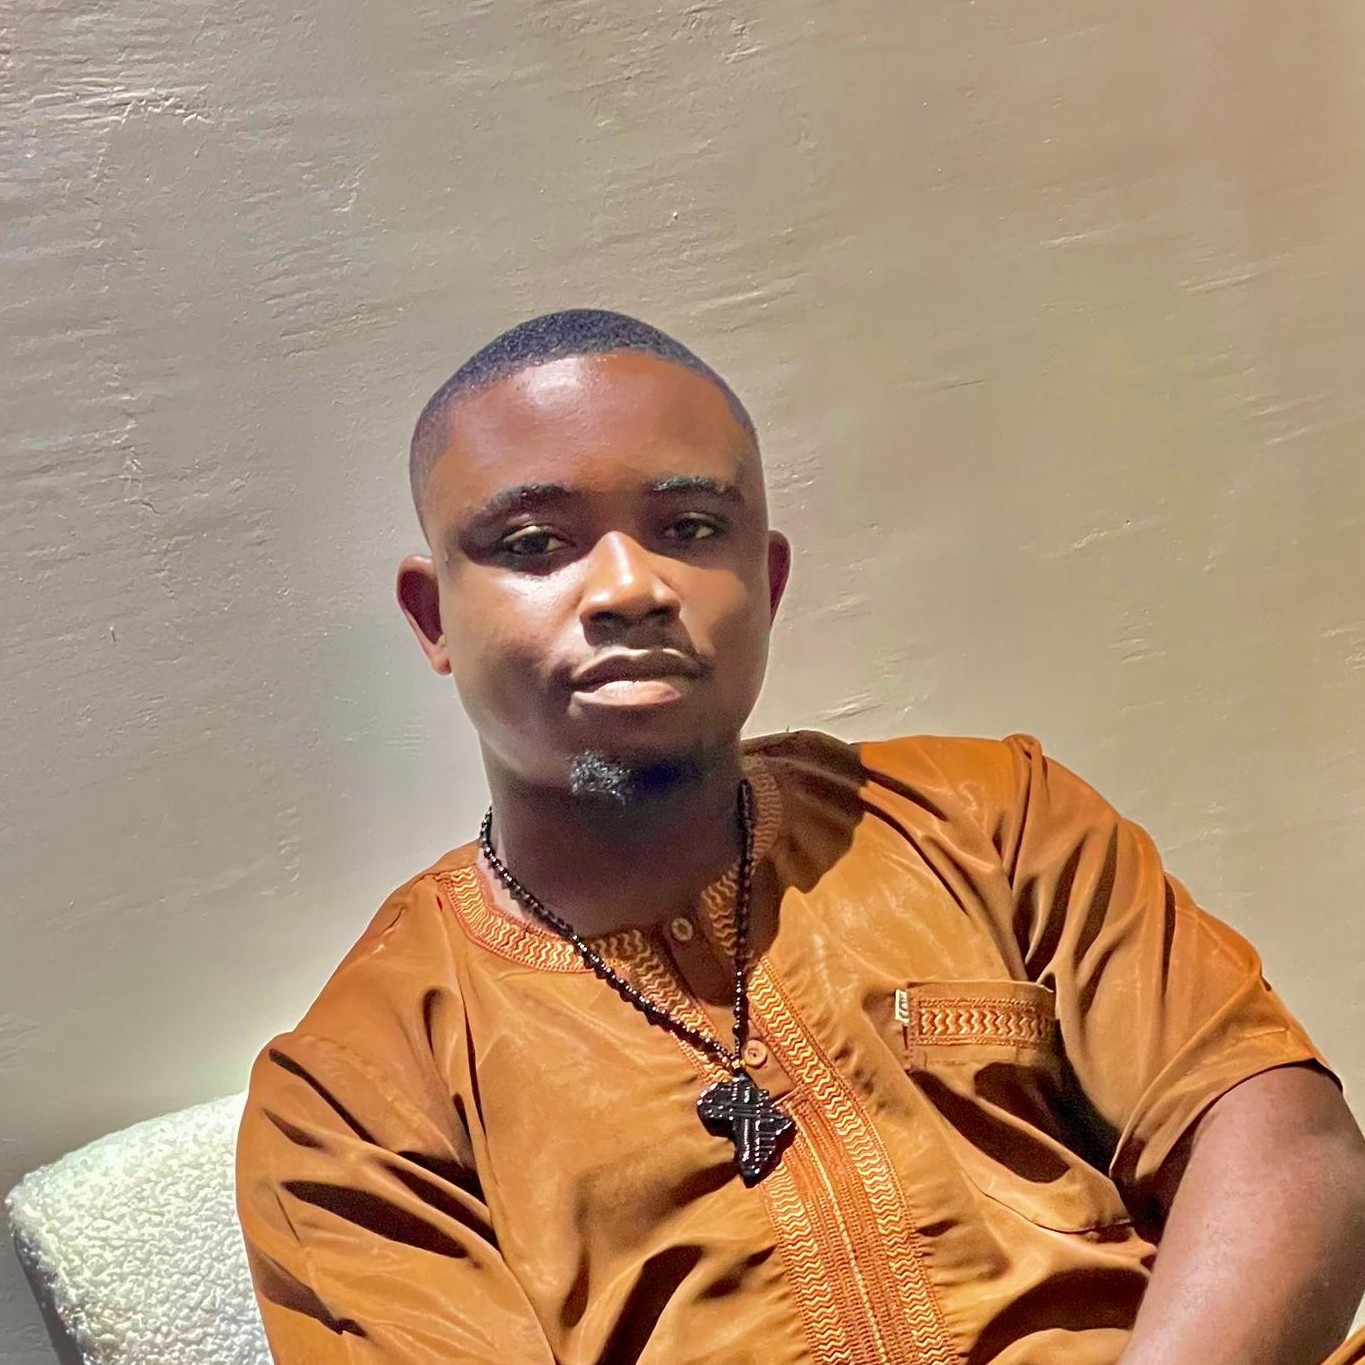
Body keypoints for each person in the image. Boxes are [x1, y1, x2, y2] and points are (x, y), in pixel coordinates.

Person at [236, 309, 1365, 1364]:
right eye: (535, 543)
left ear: (766, 580)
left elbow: (1286, 1147)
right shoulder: (352, 1095)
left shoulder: (991, 821)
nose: (629, 587)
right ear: (433, 616)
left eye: (691, 528)